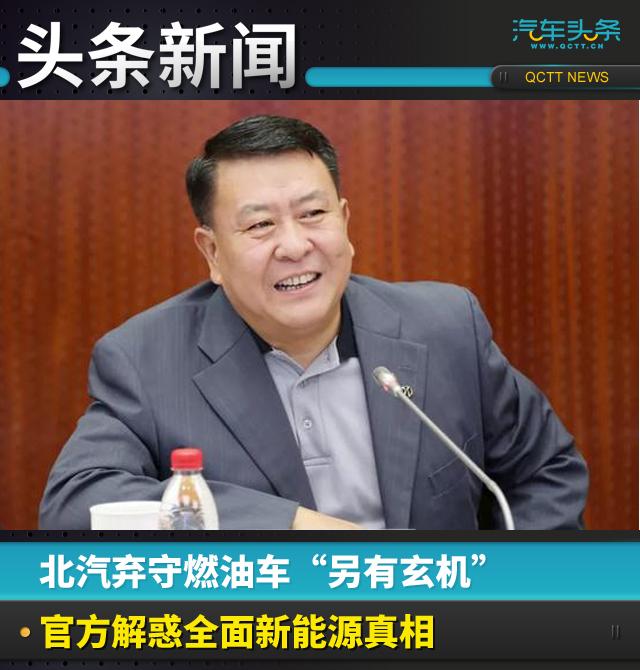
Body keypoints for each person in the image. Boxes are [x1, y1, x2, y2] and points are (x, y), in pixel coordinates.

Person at [39, 115, 588, 530]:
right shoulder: (147, 359)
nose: (295, 245)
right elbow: (76, 504)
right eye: (260, 225)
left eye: (313, 214)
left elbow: (545, 473)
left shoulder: (444, 328)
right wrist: (291, 527)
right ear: (212, 252)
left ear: (344, 222)